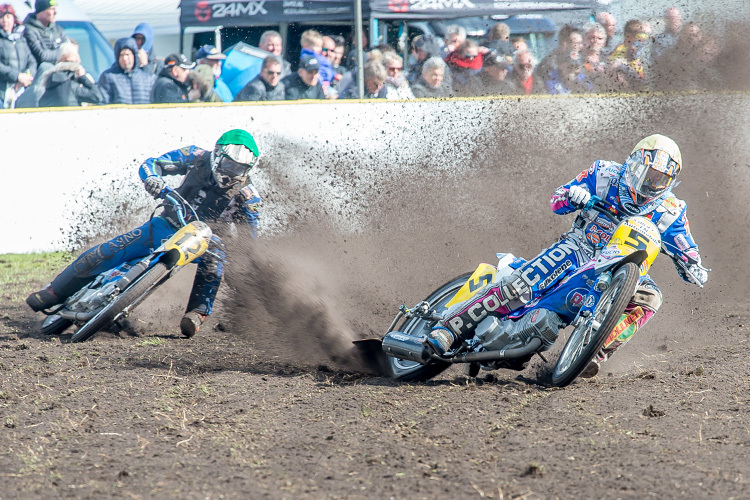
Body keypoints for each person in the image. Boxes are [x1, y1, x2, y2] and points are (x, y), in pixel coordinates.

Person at [432, 134, 708, 378]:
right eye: (648, 174)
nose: (650, 183)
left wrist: (694, 264)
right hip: (579, 248)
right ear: (635, 163)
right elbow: (557, 200)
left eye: (659, 179)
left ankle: (595, 351)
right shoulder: (604, 174)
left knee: (651, 297)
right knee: (521, 285)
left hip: (623, 267)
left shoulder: (672, 209)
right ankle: (450, 329)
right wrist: (573, 196)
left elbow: (686, 245)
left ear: (669, 181)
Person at [27, 129, 263, 339]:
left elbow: (247, 241)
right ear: (217, 156)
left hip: (205, 240)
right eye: (230, 165)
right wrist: (152, 179)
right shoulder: (195, 156)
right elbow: (152, 163)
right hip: (167, 223)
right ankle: (54, 291)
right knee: (108, 251)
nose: (234, 172)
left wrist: (239, 258)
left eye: (241, 168)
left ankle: (197, 312)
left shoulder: (249, 197)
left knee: (217, 258)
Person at [38, 41, 102, 107]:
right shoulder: (72, 86)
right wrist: (82, 77)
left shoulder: (48, 83)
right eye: (75, 62)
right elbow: (97, 97)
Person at [97, 37, 155, 105]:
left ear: (134, 55)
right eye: (121, 55)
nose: (124, 58)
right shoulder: (108, 77)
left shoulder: (147, 79)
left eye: (127, 54)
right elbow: (103, 103)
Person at [0, 3, 35, 109]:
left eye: (8, 17)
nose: (5, 20)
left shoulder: (21, 39)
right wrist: (17, 76)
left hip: (21, 89)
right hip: (3, 90)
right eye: (1, 17)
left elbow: (32, 61)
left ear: (14, 19)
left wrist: (26, 77)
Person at [22, 0, 66, 68]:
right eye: (52, 9)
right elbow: (42, 56)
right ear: (41, 11)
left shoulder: (58, 30)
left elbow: (70, 51)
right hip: (38, 74)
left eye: (56, 8)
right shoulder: (29, 30)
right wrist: (62, 53)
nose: (56, 12)